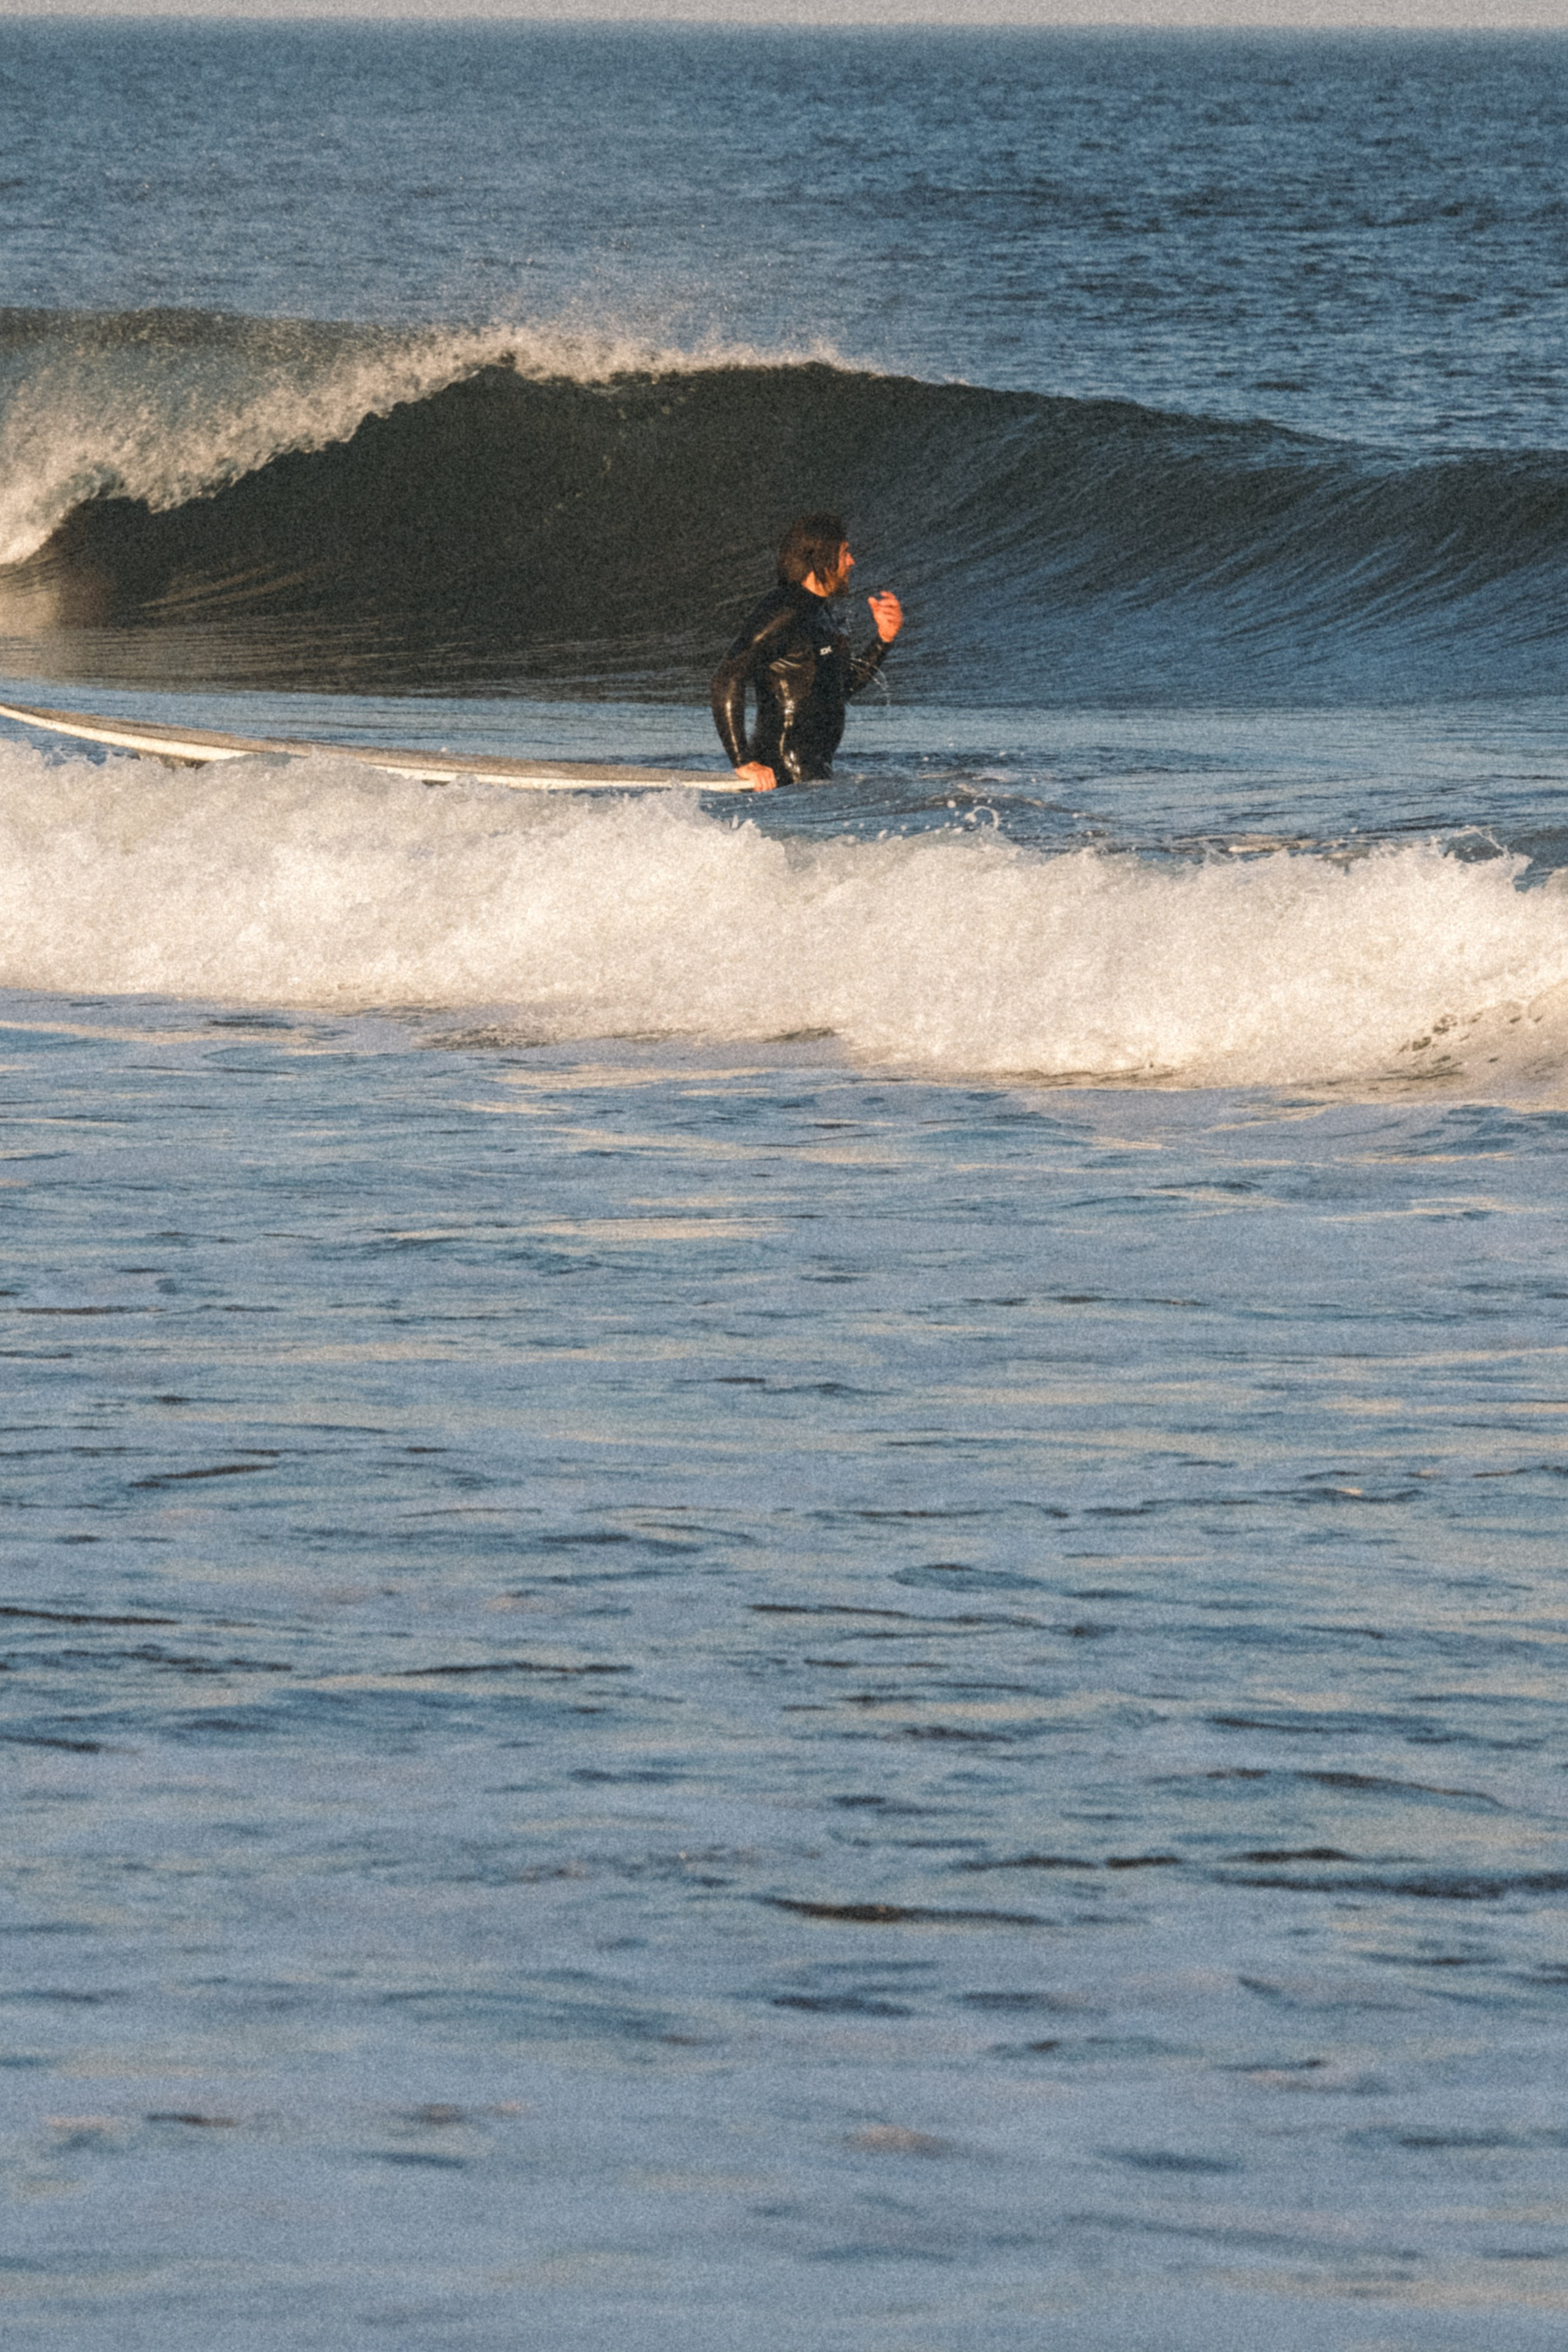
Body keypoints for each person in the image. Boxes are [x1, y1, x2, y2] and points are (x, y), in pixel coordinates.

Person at [710, 513, 903, 790]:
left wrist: (884, 640)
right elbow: (728, 677)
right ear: (823, 556)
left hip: (813, 773)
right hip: (782, 777)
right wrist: (743, 762)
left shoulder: (822, 613)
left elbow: (839, 688)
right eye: (845, 553)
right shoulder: (783, 610)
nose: (852, 562)